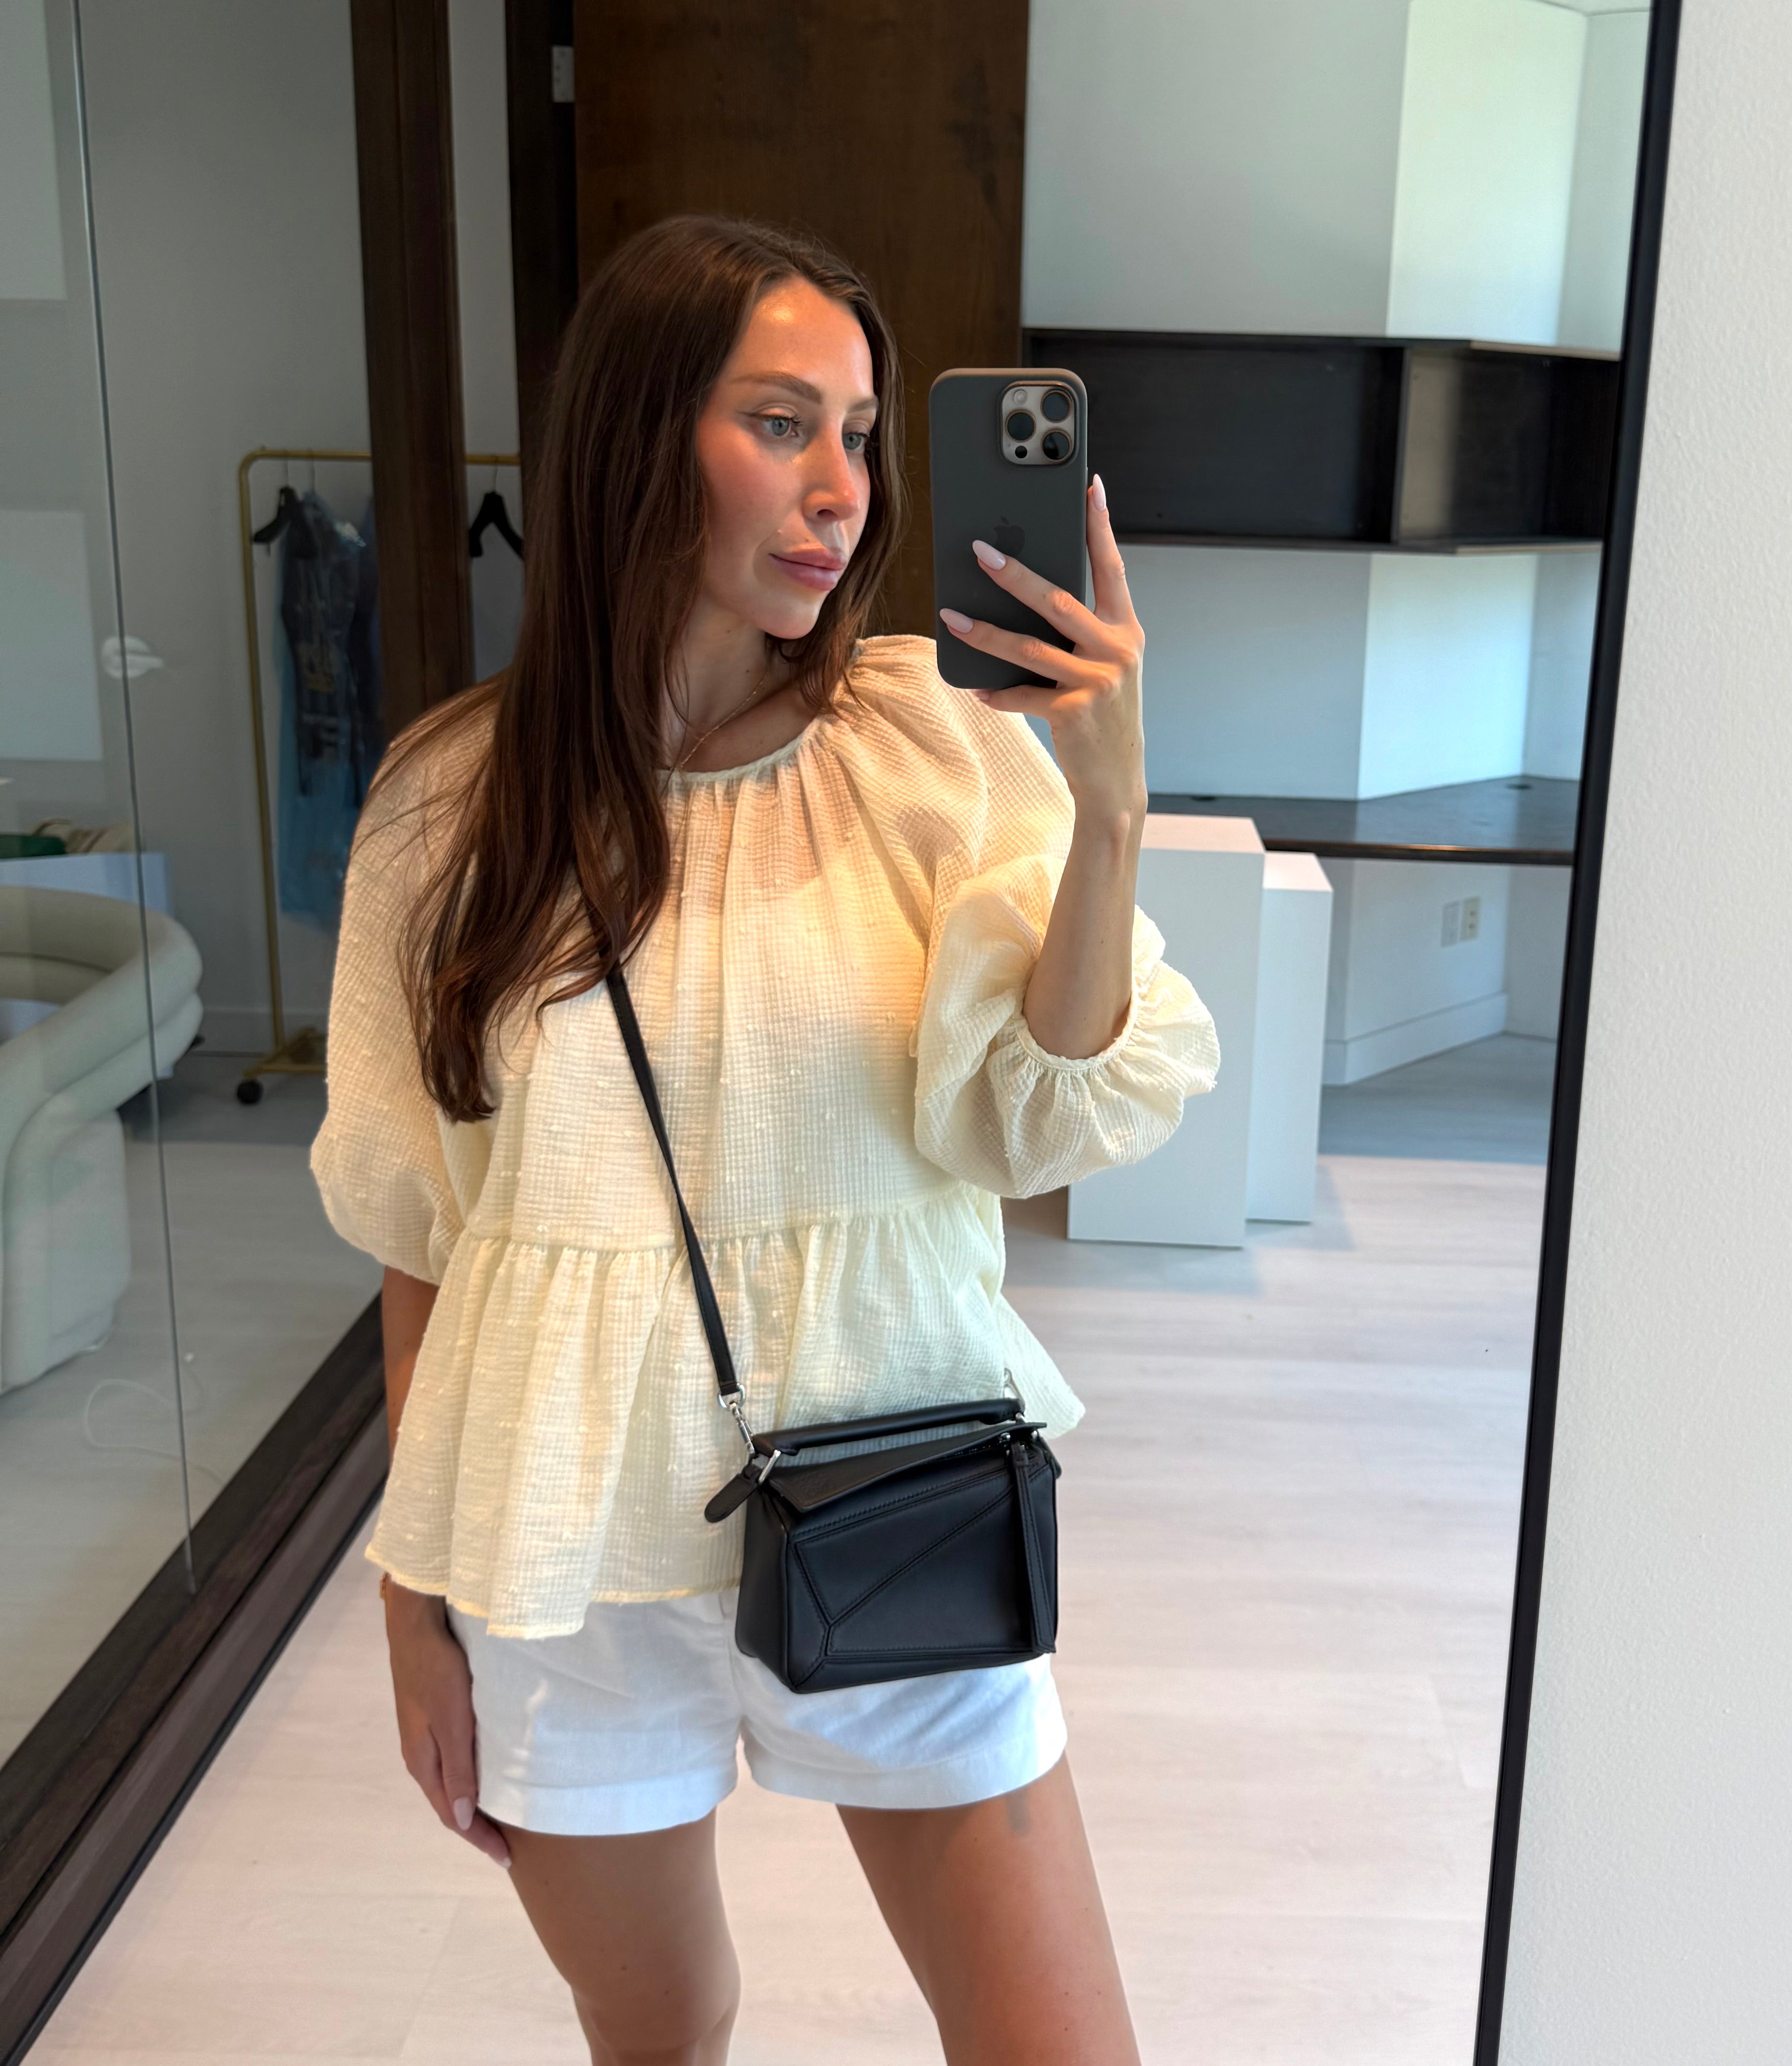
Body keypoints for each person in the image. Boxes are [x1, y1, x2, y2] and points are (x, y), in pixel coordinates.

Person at [310, 213, 1218, 2066]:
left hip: (903, 1488)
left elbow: (1039, 1113)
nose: (841, 490)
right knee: (665, 2031)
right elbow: (425, 1233)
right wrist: (414, 1607)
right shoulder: (446, 805)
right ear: (640, 436)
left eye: (861, 434)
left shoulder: (931, 747)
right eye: (783, 422)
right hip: (564, 1544)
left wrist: (1111, 812)